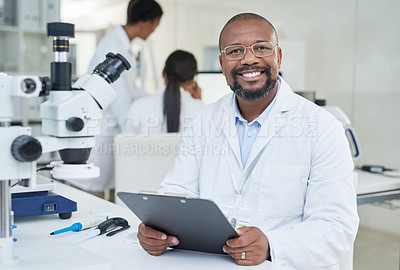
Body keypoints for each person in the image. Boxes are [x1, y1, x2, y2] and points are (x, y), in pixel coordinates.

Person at [136, 13, 359, 269]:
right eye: (235, 51)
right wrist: (158, 230)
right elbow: (179, 191)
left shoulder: (322, 127)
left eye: (262, 48)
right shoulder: (203, 120)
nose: (249, 59)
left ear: (279, 57)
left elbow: (336, 226)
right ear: (222, 64)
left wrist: (271, 245)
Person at [67, 0, 163, 201]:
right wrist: (137, 138)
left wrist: (158, 97)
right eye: (155, 24)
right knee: (92, 200)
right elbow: (119, 101)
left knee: (106, 196)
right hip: (99, 133)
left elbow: (130, 90)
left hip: (108, 134)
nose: (154, 30)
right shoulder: (113, 45)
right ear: (145, 21)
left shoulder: (124, 45)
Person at [128, 50, 204, 134]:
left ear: (163, 73)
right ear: (191, 81)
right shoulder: (199, 110)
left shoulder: (138, 106)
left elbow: (126, 143)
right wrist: (198, 102)